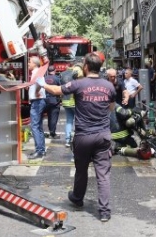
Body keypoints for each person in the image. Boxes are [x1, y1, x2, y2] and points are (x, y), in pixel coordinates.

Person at [40, 53, 116, 222]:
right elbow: (111, 108)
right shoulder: (109, 86)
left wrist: (41, 82)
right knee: (103, 174)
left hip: (83, 136)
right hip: (103, 136)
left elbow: (56, 90)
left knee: (81, 171)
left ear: (86, 67)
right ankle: (104, 212)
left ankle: (77, 198)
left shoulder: (78, 84)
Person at [26, 57, 47, 160]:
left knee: (35, 126)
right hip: (39, 101)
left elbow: (39, 83)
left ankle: (39, 151)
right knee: (38, 127)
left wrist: (36, 91)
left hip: (37, 102)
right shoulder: (37, 72)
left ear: (34, 63)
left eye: (29, 62)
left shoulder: (37, 72)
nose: (28, 64)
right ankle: (41, 150)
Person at [43, 66, 61, 140]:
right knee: (53, 117)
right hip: (54, 101)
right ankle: (52, 133)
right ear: (55, 70)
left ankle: (46, 132)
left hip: (45, 100)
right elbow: (60, 89)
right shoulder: (57, 79)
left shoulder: (44, 78)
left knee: (48, 116)